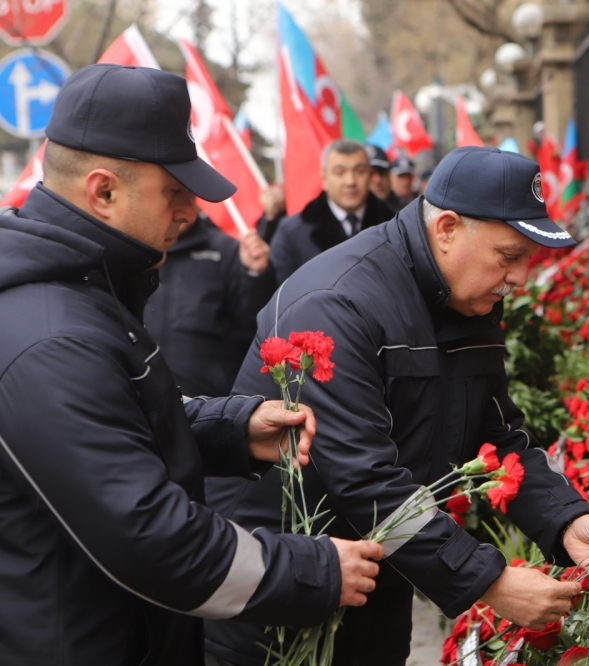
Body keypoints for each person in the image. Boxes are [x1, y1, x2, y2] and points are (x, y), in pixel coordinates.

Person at [0, 64, 383, 665]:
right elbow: (149, 537)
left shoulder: (82, 290)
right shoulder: (53, 335)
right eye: (174, 191)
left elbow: (114, 418)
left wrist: (229, 428)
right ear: (103, 192)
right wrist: (313, 569)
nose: (190, 210)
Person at [204, 147, 589, 665]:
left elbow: (500, 438)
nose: (521, 277)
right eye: (509, 256)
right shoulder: (338, 302)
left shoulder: (467, 298)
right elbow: (363, 478)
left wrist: (567, 521)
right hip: (281, 588)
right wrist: (490, 581)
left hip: (378, 579)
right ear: (448, 229)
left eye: (529, 258)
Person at [144, 211, 277, 397]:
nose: (180, 208)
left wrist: (256, 276)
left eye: (186, 196)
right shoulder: (134, 248)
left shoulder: (227, 250)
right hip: (139, 396)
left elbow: (251, 327)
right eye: (169, 196)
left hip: (206, 399)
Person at [269, 139, 396, 283]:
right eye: (340, 172)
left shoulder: (394, 226)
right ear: (324, 179)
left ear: (370, 175)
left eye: (359, 171)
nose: (350, 181)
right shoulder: (291, 232)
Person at [364, 143, 402, 211]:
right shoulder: (350, 215)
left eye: (382, 172)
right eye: (370, 173)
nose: (378, 180)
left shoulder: (407, 212)